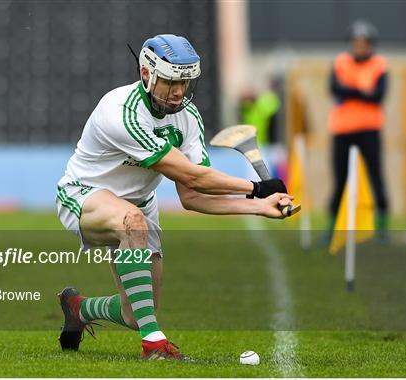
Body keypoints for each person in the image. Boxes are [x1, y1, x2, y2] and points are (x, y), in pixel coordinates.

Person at [56, 34, 293, 361]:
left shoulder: (188, 117)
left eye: (185, 81)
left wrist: (259, 206)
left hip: (139, 206)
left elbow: (193, 196)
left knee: (135, 313)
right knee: (131, 222)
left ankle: (78, 309)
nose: (179, 91)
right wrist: (255, 187)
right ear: (146, 75)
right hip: (83, 196)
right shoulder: (122, 112)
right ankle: (154, 346)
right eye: (170, 82)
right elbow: (193, 174)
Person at [327, 19, 390, 240]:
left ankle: (382, 228)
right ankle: (332, 227)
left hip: (369, 129)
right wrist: (362, 92)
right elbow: (335, 89)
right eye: (356, 42)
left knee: (376, 177)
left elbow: (378, 95)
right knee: (340, 179)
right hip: (343, 130)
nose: (360, 46)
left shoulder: (379, 65)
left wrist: (351, 91)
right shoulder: (341, 62)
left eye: (364, 42)